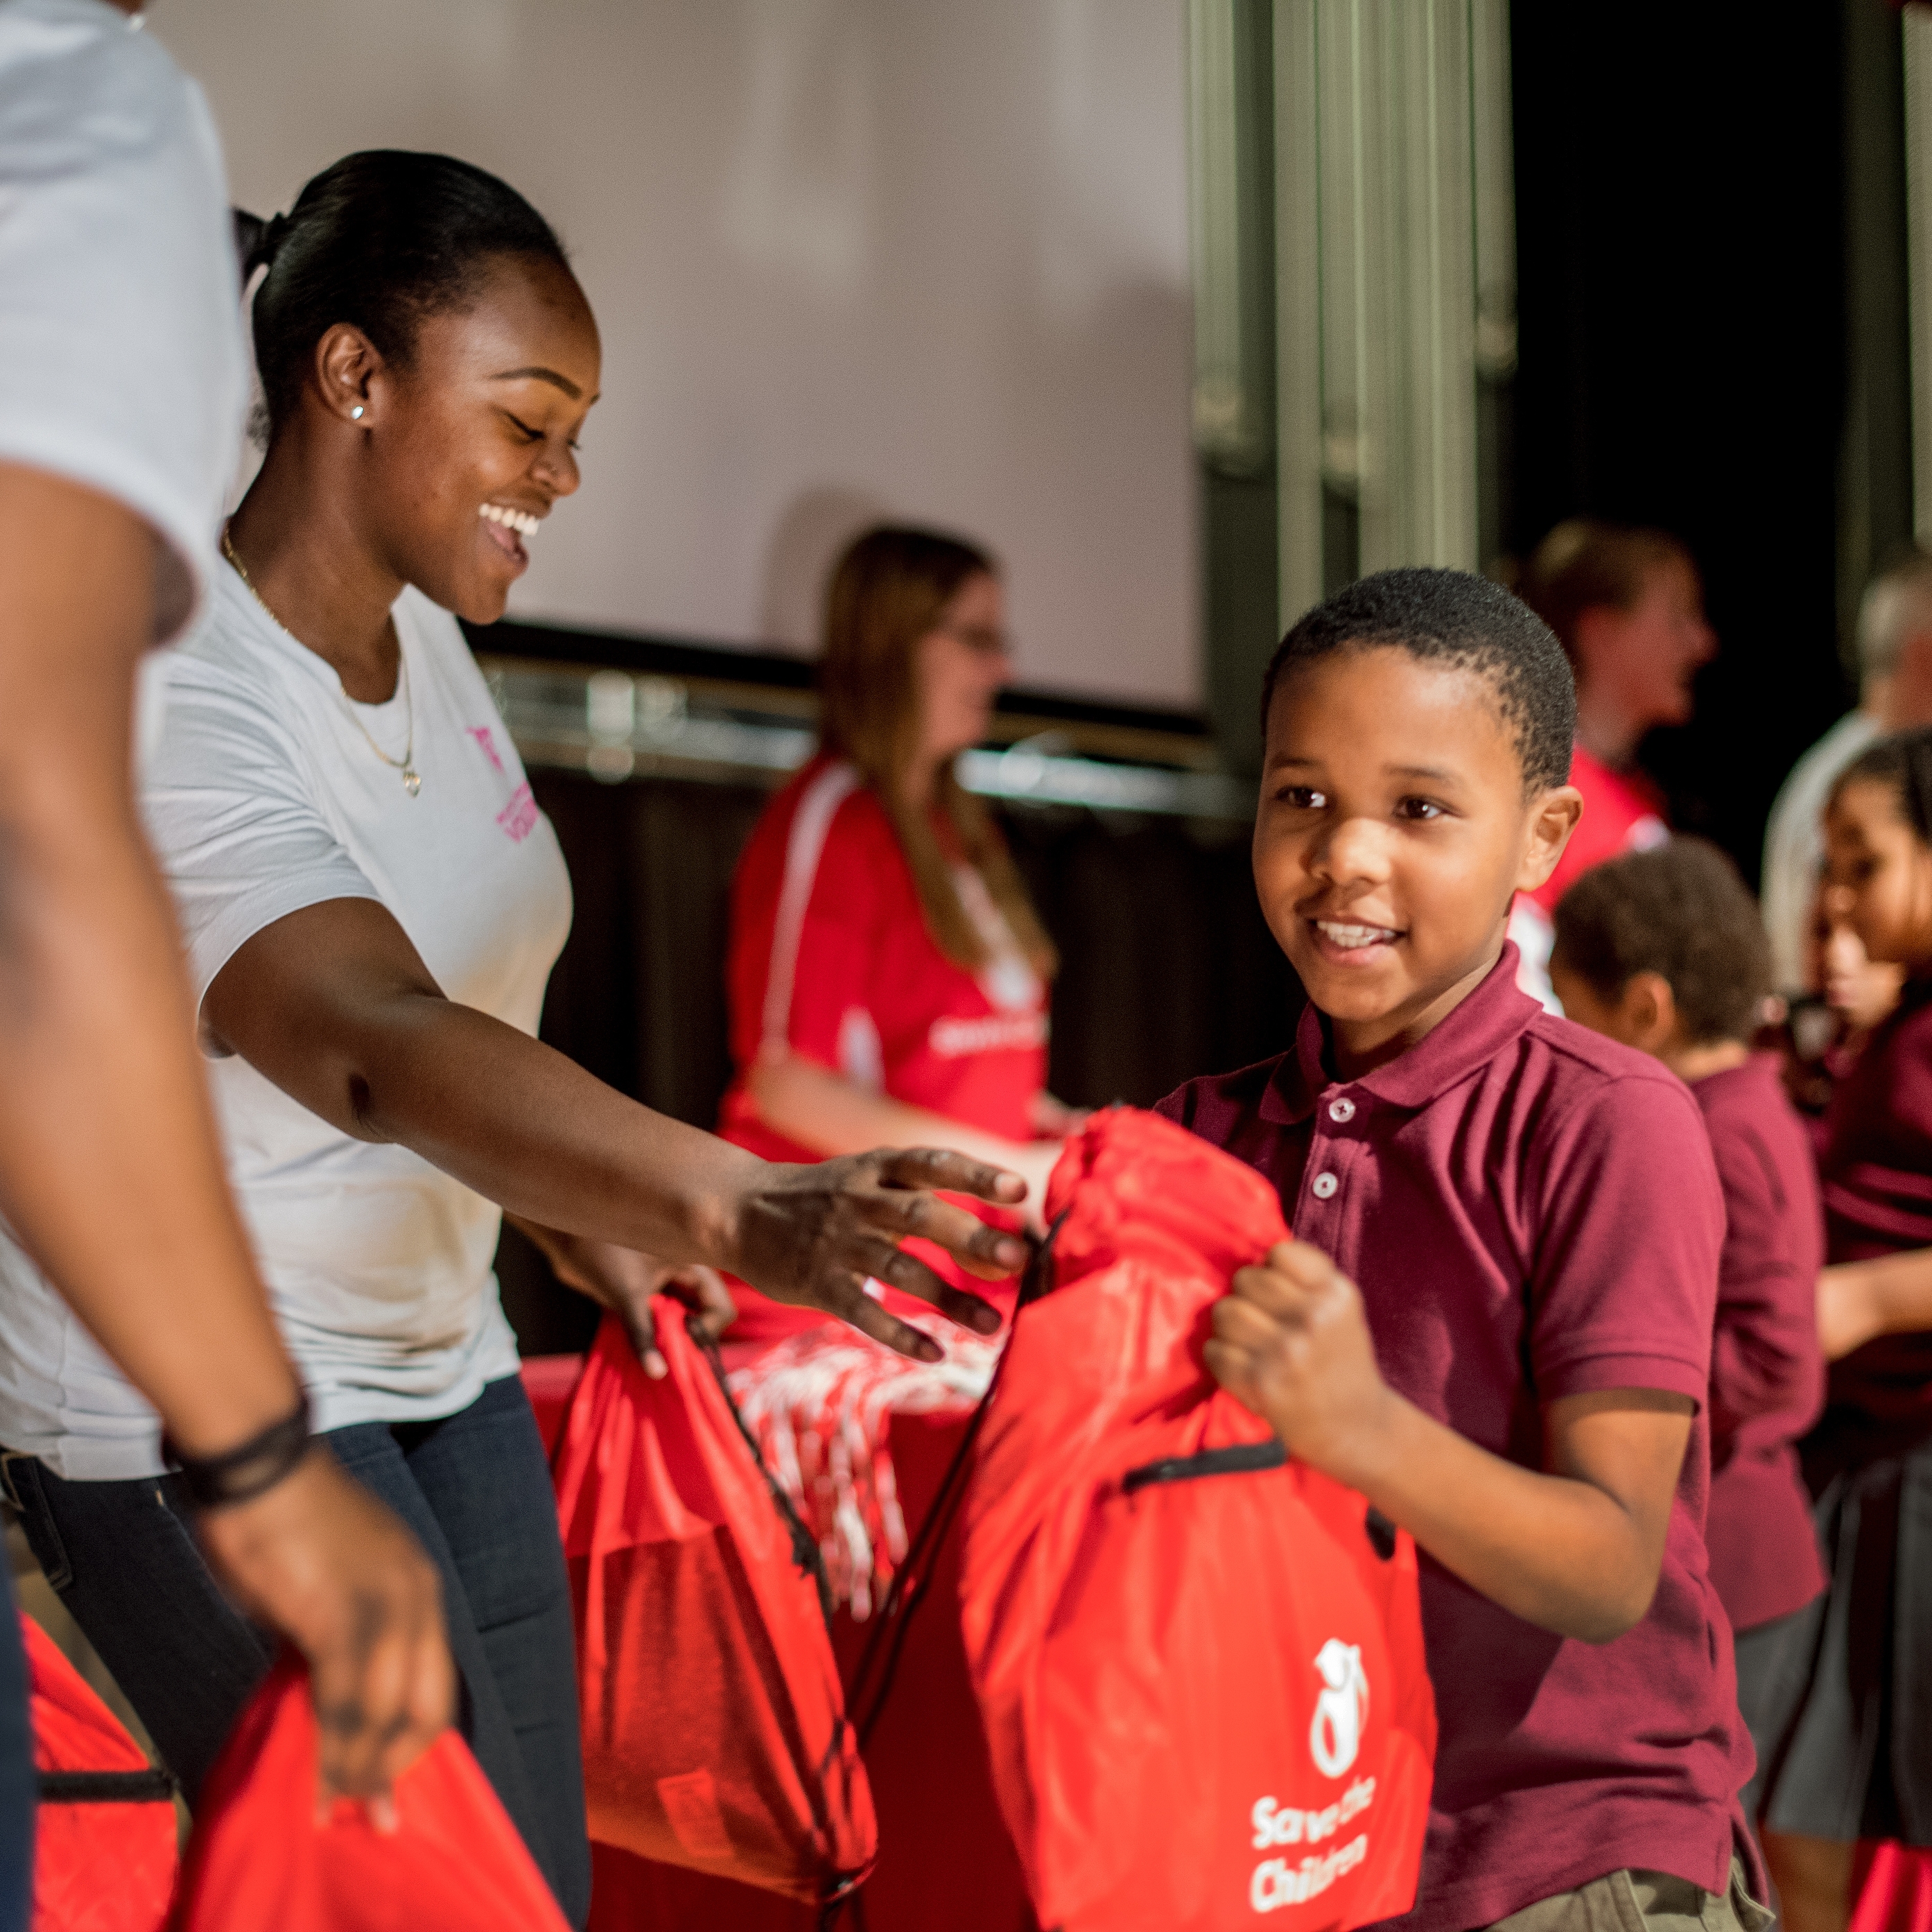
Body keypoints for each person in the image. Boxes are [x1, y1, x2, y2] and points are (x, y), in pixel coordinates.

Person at [0, 152, 1027, 1927]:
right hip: (187, 1408)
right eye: (528, 422)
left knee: (532, 1901)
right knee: (406, 1908)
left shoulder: (421, 640)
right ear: (352, 380)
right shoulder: (171, 683)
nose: (560, 478)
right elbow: (373, 1037)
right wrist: (734, 1205)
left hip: (434, 1354)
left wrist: (575, 1219)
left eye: (577, 433)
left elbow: (456, 1012)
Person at [0, 0, 458, 1899]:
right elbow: (33, 846)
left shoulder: (440, 663)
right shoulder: (73, 111)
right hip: (147, 1382)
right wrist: (262, 1466)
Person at [1160, 568, 1765, 1932]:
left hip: (1563, 1856)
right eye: (1299, 795)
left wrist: (1355, 1424)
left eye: (1417, 808)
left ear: (1542, 836)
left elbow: (1612, 1563)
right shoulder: (1184, 1137)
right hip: (1284, 1848)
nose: (1344, 854)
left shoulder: (1609, 1120)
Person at [717, 523, 1074, 1345]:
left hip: (960, 1280)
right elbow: (784, 1080)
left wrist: (1055, 1134)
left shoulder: (957, 828)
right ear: (894, 645)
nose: (1003, 669)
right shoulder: (831, 818)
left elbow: (956, 1062)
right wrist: (1013, 1170)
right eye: (978, 639)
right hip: (841, 1304)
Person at [1547, 839, 1827, 1847]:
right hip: (1741, 1555)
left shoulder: (1703, 1128)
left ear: (1645, 1011)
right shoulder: (1750, 1105)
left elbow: (1778, 1358)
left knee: (1708, 1839)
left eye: (1569, 1009)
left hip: (1736, 1560)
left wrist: (1616, 1379)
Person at [1755, 729, 1932, 1932]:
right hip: (1851, 1463)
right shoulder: (1889, 1019)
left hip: (1917, 1467)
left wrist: (1861, 1298)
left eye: (1862, 863)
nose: (1833, 896)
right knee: (1792, 1811)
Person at [1507, 518, 1716, 1005]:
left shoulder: (1635, 791)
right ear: (1600, 633)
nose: (1700, 642)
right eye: (1676, 618)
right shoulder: (1536, 791)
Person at [1761, 552, 1932, 1000]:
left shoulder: (1838, 766)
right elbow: (1827, 969)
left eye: (1863, 870)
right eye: (1856, 870)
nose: (1841, 900)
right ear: (1925, 655)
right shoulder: (1858, 785)